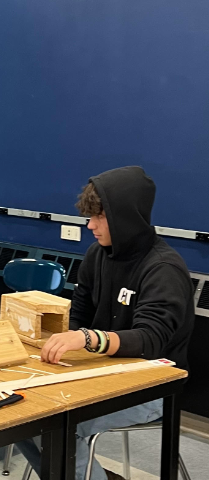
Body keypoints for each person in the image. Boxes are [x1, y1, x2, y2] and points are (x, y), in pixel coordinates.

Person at [17, 166, 194, 480]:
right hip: (102, 372)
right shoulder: (96, 255)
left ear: (126, 217)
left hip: (154, 387)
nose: (90, 225)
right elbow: (80, 318)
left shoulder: (164, 269)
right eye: (89, 216)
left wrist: (86, 338)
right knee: (18, 417)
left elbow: (149, 339)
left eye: (99, 217)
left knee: (59, 426)